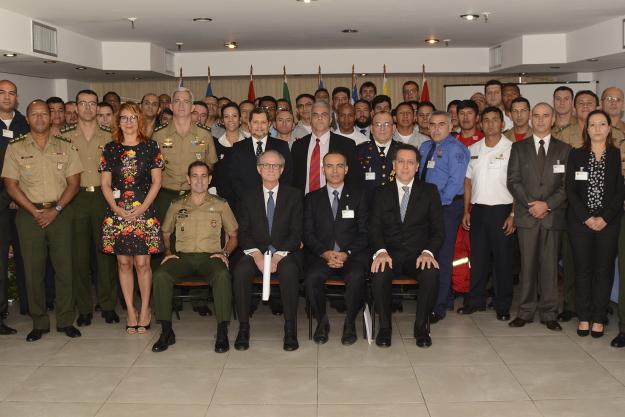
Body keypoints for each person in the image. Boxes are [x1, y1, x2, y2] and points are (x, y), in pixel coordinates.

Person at [2, 99, 83, 341]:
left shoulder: (66, 145)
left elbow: (74, 183)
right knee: (32, 270)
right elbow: (10, 185)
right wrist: (33, 211)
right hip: (29, 216)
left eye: (43, 114)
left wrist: (56, 209)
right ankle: (39, 322)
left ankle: (66, 319)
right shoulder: (16, 148)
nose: (39, 118)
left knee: (64, 269)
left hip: (60, 213)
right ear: (27, 119)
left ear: (51, 117)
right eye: (34, 115)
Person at [152, 161, 238, 353]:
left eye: (203, 176)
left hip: (211, 257)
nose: (199, 180)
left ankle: (222, 331)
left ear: (210, 179)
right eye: (195, 176)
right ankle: (166, 331)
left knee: (223, 276)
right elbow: (165, 233)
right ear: (188, 180)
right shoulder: (176, 205)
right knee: (160, 275)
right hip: (183, 257)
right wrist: (168, 253)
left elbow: (233, 236)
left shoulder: (220, 205)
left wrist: (224, 253)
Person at [369, 144, 444, 348]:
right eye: (401, 161)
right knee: (379, 272)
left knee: (431, 273)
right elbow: (373, 228)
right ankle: (385, 328)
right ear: (393, 165)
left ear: (417, 166)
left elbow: (439, 230)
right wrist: (381, 252)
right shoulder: (380, 192)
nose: (405, 166)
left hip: (417, 255)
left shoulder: (429, 192)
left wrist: (428, 252)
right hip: (390, 254)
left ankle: (421, 328)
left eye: (410, 162)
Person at [100, 102, 164, 334]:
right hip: (116, 213)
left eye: (133, 118)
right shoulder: (110, 148)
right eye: (124, 118)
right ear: (118, 122)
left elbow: (157, 182)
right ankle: (130, 310)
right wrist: (116, 209)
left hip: (144, 211)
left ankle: (145, 309)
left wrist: (143, 207)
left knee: (142, 263)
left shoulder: (151, 147)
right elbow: (105, 185)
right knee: (124, 263)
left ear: (140, 121)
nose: (128, 122)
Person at [507, 102, 570, 331]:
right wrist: (531, 204)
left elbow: (566, 185)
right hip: (527, 215)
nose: (541, 120)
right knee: (527, 266)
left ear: (553, 119)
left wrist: (547, 205)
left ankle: (549, 313)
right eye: (536, 116)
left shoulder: (565, 149)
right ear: (531, 119)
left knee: (550, 267)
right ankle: (525, 312)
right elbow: (513, 180)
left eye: (545, 116)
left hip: (552, 216)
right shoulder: (519, 148)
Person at [232, 150, 303, 351]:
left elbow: (297, 232)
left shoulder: (294, 195)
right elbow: (243, 231)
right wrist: (257, 255)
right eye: (266, 165)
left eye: (275, 166)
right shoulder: (247, 196)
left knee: (289, 271)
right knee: (240, 272)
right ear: (258, 169)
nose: (271, 169)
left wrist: (277, 256)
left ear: (282, 170)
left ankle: (290, 329)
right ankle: (243, 328)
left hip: (285, 252)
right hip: (255, 251)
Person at [566, 110, 624, 338]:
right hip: (580, 222)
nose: (597, 128)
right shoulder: (576, 155)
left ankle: (599, 317)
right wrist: (587, 217)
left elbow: (621, 190)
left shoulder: (617, 155)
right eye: (593, 124)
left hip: (608, 223)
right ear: (586, 129)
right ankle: (584, 316)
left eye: (602, 124)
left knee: (603, 270)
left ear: (609, 128)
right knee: (582, 270)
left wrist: (605, 218)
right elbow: (570, 190)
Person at [62, 89, 119, 327]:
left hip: (103, 198)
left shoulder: (110, 136)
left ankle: (107, 306)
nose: (87, 108)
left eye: (92, 104)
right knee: (79, 256)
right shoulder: (64, 137)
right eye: (83, 103)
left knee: (106, 254)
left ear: (97, 108)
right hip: (75, 200)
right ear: (76, 107)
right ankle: (84, 308)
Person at [304, 152, 368, 345]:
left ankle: (350, 323)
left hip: (351, 256)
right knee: (311, 278)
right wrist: (325, 253)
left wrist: (346, 253)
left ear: (346, 170)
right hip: (322, 256)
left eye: (339, 166)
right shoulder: (312, 198)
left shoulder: (359, 196)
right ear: (323, 170)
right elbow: (307, 233)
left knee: (357, 277)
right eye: (329, 166)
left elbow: (365, 232)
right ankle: (322, 322)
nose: (334, 170)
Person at [458, 107, 515, 320]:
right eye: (486, 120)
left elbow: (518, 185)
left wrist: (513, 215)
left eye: (495, 120)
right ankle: (475, 301)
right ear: (480, 124)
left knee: (502, 261)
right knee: (478, 259)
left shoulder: (512, 148)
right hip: (478, 211)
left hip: (503, 210)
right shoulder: (473, 148)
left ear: (502, 124)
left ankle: (502, 305)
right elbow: (468, 182)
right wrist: (466, 210)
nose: (490, 124)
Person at [419, 111, 470, 322]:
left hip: (446, 208)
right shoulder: (424, 147)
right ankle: (443, 297)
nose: (436, 128)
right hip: (427, 207)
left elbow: (456, 183)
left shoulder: (457, 149)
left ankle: (439, 306)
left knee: (443, 254)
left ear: (451, 127)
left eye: (441, 124)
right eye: (432, 124)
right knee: (430, 252)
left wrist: (434, 206)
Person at [152, 88, 218, 223]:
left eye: (186, 101)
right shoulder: (158, 135)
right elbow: (153, 168)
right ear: (171, 106)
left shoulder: (204, 134)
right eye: (177, 101)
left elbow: (210, 164)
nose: (181, 105)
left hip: (194, 195)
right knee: (165, 239)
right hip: (165, 195)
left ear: (192, 107)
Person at [0, 79, 29, 335]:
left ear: (17, 98)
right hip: (0, 201)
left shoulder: (25, 125)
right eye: (2, 93)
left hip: (23, 200)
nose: (7, 97)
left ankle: (30, 305)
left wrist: (19, 195)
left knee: (26, 255)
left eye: (12, 93)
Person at [291, 101, 358, 194]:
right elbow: (294, 179)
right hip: (303, 202)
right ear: (310, 119)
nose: (319, 118)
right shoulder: (298, 146)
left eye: (324, 114)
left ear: (331, 120)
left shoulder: (347, 144)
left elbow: (353, 178)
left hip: (335, 201)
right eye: (315, 115)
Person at [228, 108, 293, 203]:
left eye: (263, 122)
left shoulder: (281, 146)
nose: (259, 126)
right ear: (249, 125)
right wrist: (248, 198)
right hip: (246, 203)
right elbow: (234, 178)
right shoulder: (238, 148)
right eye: (255, 122)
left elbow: (287, 175)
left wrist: (275, 197)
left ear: (269, 124)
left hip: (275, 201)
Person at [356, 111, 399, 203]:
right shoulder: (359, 151)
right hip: (368, 206)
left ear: (394, 128)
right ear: (371, 128)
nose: (382, 128)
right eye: (378, 124)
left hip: (396, 205)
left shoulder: (403, 150)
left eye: (386, 124)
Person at [212, 102, 246, 207]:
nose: (231, 119)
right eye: (226, 116)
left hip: (244, 200)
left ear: (240, 119)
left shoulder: (248, 144)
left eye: (234, 116)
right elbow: (211, 171)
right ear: (222, 120)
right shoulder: (214, 144)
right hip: (220, 200)